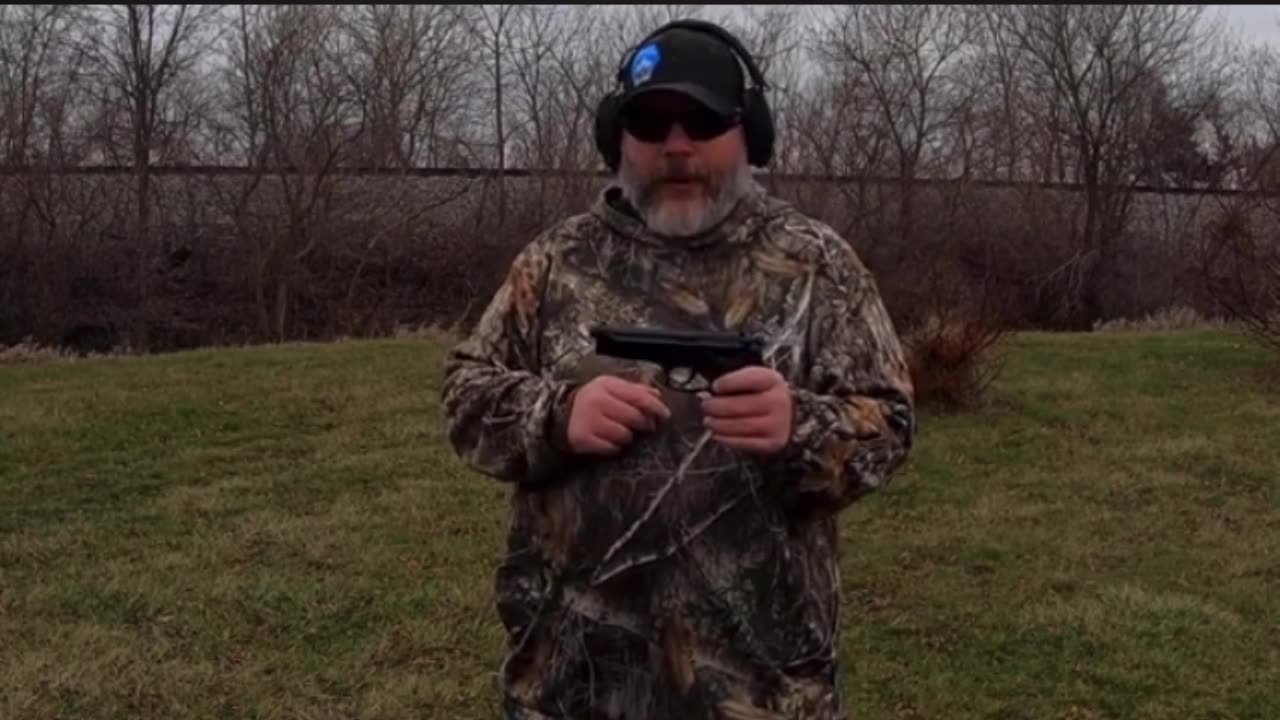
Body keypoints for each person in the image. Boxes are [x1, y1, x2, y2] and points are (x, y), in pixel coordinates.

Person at [440, 18, 916, 720]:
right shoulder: (553, 262)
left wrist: (802, 426)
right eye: (652, 124)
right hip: (573, 687)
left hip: (762, 692)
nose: (677, 145)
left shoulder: (818, 265)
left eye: (701, 121)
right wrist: (558, 416)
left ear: (749, 131)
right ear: (618, 140)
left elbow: (892, 421)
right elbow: (464, 397)